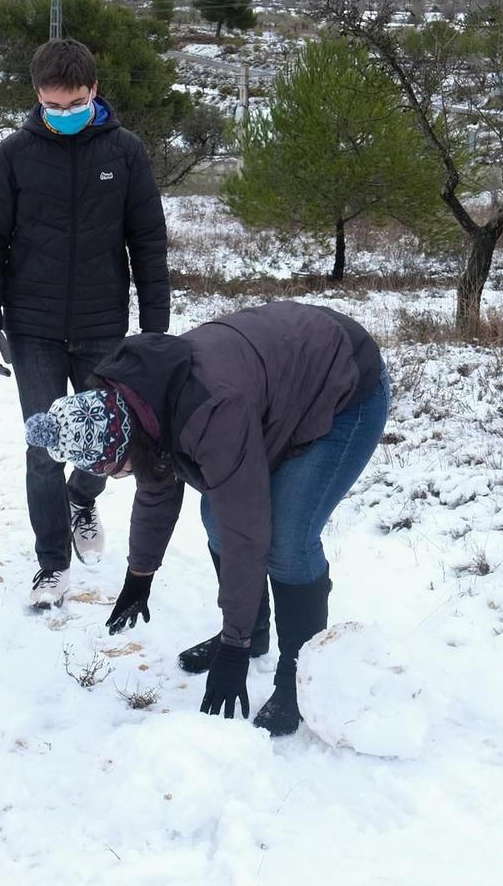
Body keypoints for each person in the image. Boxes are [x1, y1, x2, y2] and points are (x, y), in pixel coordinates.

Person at [24, 300, 389, 737]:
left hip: (344, 385)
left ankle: (298, 674)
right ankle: (252, 633)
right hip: (281, 381)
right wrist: (140, 576)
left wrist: (230, 651)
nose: (112, 477)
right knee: (216, 514)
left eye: (108, 469)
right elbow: (157, 487)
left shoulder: (210, 412)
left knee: (287, 540)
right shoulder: (140, 404)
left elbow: (246, 533)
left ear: (122, 445)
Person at [0, 37, 170, 610]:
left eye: (76, 102)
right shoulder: (14, 155)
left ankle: (83, 498)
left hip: (104, 326)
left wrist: (154, 331)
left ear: (95, 91)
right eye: (54, 106)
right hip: (31, 331)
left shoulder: (126, 152)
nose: (65, 114)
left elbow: (148, 245)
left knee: (107, 442)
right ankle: (52, 564)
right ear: (38, 96)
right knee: (43, 448)